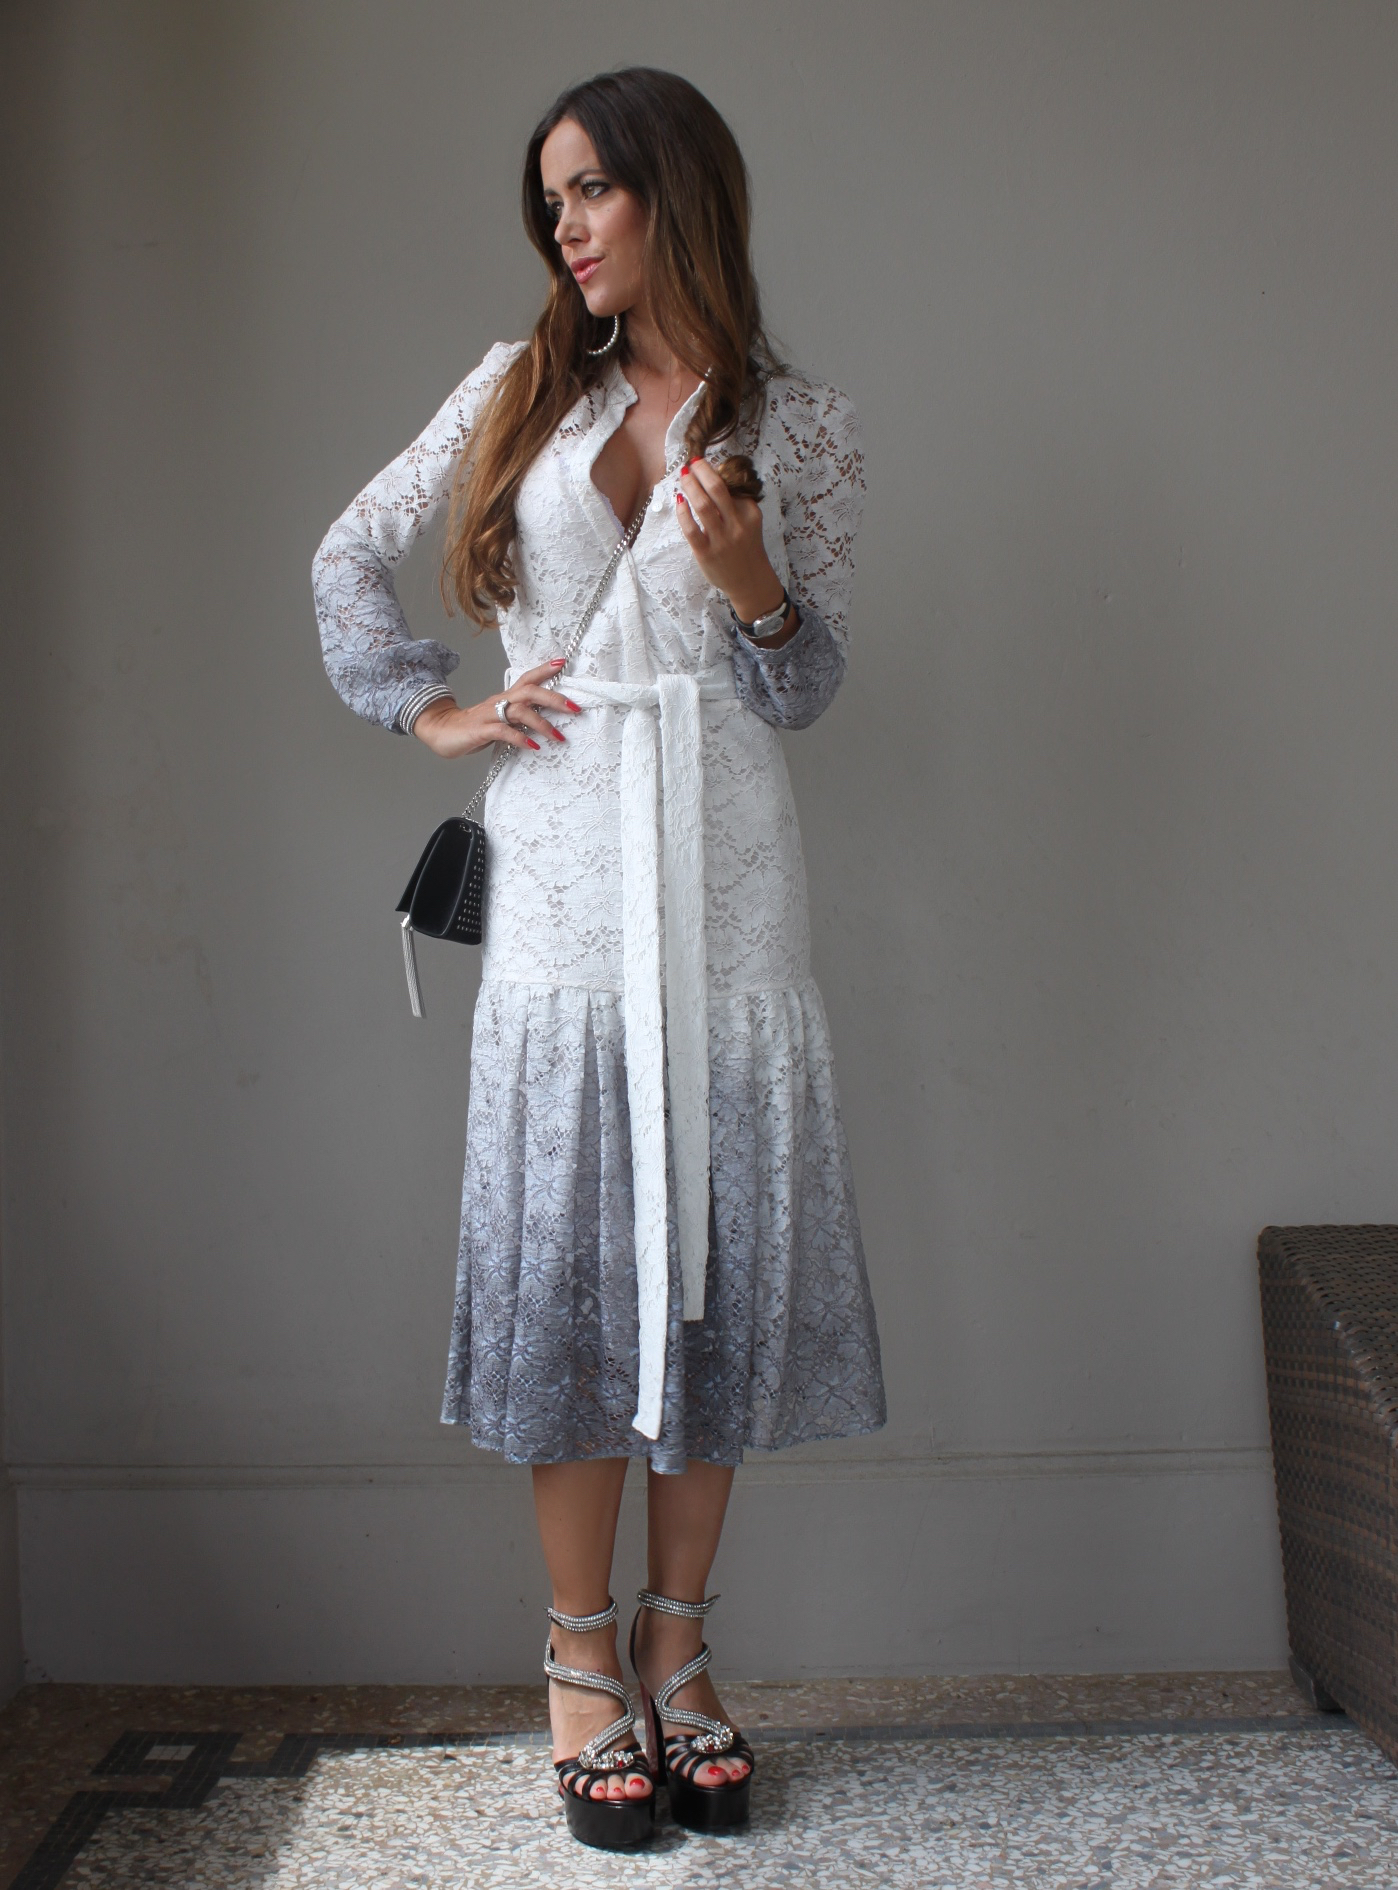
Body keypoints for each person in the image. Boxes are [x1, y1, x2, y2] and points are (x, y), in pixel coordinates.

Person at [312, 66, 885, 1851]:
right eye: (549, 198)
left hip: (728, 868)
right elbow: (348, 556)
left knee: (707, 1257)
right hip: (564, 870)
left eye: (591, 191)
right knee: (575, 1263)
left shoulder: (797, 426)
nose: (563, 226)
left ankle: (680, 1643)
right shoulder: (515, 387)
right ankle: (578, 1655)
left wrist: (755, 581)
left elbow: (804, 683)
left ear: (673, 192)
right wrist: (438, 712)